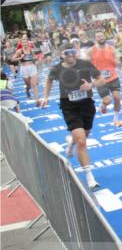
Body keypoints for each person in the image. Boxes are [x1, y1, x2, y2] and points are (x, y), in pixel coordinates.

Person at [37, 46, 108, 190]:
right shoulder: (56, 69)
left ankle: (71, 142)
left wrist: (91, 85)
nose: (71, 55)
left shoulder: (85, 64)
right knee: (81, 141)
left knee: (84, 136)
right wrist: (45, 97)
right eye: (67, 53)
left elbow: (101, 79)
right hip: (69, 107)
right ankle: (90, 178)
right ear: (61, 54)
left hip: (87, 105)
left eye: (73, 52)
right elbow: (49, 81)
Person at [89, 30, 122, 127]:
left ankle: (116, 118)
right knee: (108, 100)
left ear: (105, 37)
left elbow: (117, 59)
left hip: (113, 77)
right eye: (98, 36)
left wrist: (118, 61)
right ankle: (103, 105)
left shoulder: (111, 48)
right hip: (100, 80)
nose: (101, 38)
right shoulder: (92, 50)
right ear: (96, 39)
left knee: (117, 98)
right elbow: (85, 60)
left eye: (102, 36)